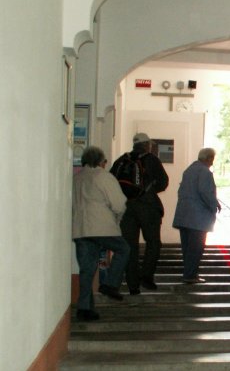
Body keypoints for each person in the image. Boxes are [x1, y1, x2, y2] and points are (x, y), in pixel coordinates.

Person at [72, 146, 130, 320]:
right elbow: (119, 203)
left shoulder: (77, 178)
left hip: (81, 229)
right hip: (102, 227)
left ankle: (84, 308)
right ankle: (110, 285)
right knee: (124, 250)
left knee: (87, 270)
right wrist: (117, 219)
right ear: (101, 162)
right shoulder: (104, 176)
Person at [111, 132, 169, 294]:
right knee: (153, 242)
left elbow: (111, 181)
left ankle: (132, 284)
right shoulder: (152, 159)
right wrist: (147, 192)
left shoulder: (122, 160)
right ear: (147, 145)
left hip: (126, 209)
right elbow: (163, 183)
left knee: (130, 246)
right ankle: (147, 277)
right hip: (148, 207)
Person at [172, 147, 221, 284]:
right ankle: (190, 276)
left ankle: (188, 273)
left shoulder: (188, 170)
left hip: (184, 216)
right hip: (197, 219)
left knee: (187, 248)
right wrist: (214, 205)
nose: (212, 162)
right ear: (209, 158)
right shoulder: (205, 172)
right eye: (212, 159)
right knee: (196, 248)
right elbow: (205, 192)